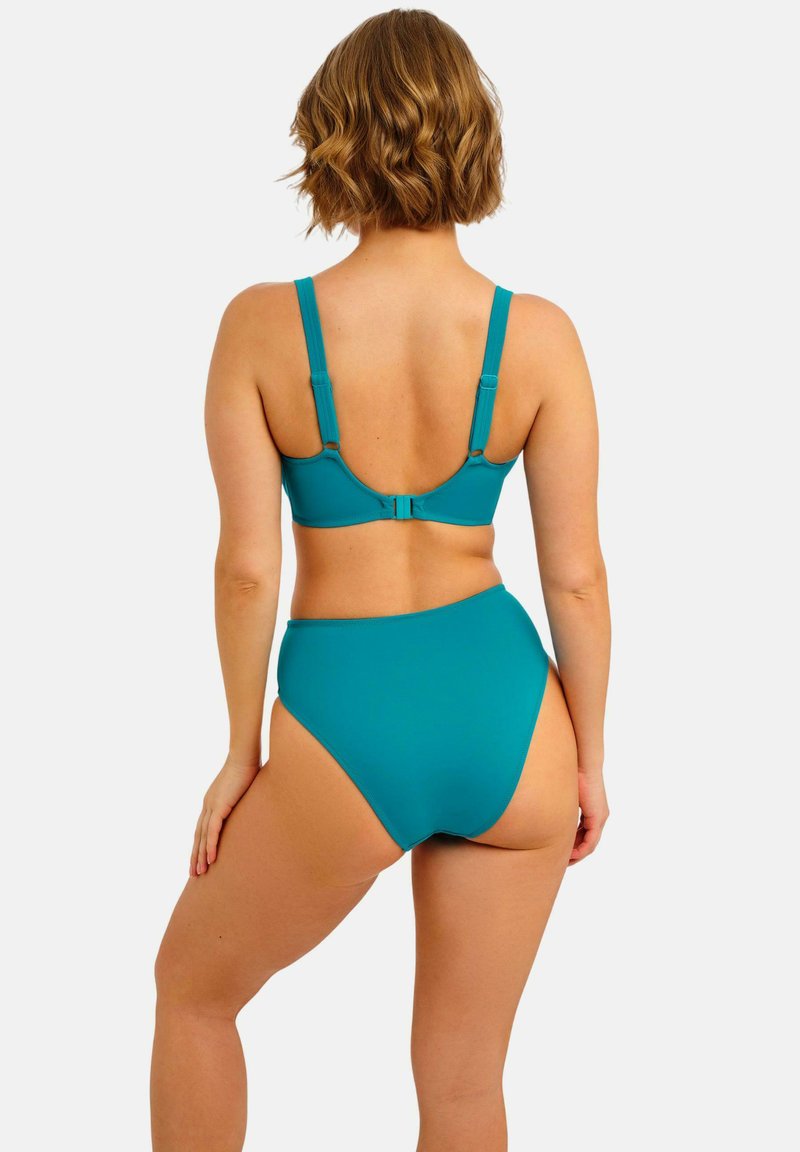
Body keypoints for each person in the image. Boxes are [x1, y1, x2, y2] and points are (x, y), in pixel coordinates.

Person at [150, 9, 611, 1151]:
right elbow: (576, 581)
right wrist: (589, 760)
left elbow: (248, 570)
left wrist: (242, 753)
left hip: (349, 719)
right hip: (510, 716)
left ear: (331, 138)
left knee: (193, 995)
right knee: (462, 1085)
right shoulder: (538, 336)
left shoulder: (262, 329)